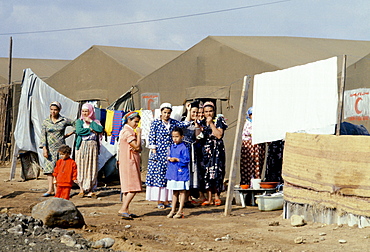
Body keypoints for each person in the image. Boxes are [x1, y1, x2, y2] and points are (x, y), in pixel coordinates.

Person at [146, 102, 191, 209]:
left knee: (169, 176)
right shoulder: (156, 123)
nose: (166, 115)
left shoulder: (173, 123)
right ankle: (159, 200)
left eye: (168, 113)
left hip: (170, 152)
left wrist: (188, 111)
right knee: (159, 176)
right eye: (165, 112)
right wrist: (154, 151)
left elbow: (185, 124)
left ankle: (168, 200)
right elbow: (152, 137)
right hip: (158, 153)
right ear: (161, 112)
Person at [39, 101, 74, 197]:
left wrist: (69, 134)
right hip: (49, 148)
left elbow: (75, 123)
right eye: (51, 109)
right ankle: (50, 189)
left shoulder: (63, 120)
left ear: (59, 110)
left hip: (60, 149)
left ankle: (59, 189)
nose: (53, 112)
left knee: (60, 169)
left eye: (55, 110)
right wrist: (44, 148)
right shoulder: (46, 121)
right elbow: (43, 135)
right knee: (49, 170)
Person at [198, 101, 228, 206]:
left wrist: (211, 123)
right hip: (205, 151)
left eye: (210, 111)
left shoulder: (219, 120)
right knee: (206, 174)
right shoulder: (201, 122)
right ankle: (209, 198)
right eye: (206, 111)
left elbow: (219, 135)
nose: (208, 113)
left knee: (217, 173)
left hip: (217, 151)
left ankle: (217, 197)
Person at [117, 112, 142, 220]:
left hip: (127, 160)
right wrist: (139, 134)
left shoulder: (126, 131)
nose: (137, 124)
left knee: (128, 186)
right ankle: (123, 208)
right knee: (134, 186)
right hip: (129, 161)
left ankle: (126, 208)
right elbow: (137, 147)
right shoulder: (128, 132)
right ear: (129, 120)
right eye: (135, 121)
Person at [75, 103, 104, 198]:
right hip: (83, 146)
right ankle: (81, 189)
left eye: (86, 111)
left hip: (92, 146)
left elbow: (100, 129)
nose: (84, 113)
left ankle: (91, 189)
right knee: (81, 166)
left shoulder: (95, 121)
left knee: (92, 166)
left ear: (90, 111)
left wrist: (91, 122)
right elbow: (79, 131)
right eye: (83, 111)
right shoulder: (79, 121)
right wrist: (91, 130)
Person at [166, 127, 190, 218]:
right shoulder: (172, 146)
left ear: (182, 137)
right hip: (173, 172)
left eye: (177, 136)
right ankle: (173, 210)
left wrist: (177, 159)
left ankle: (180, 210)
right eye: (173, 137)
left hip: (181, 172)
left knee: (182, 192)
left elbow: (186, 160)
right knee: (174, 192)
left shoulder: (184, 147)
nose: (175, 139)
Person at [239, 107, 266, 185]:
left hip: (258, 147)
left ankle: (255, 183)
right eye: (252, 114)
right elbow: (252, 133)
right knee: (248, 166)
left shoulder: (260, 124)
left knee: (257, 165)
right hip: (249, 147)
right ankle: (247, 183)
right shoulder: (248, 123)